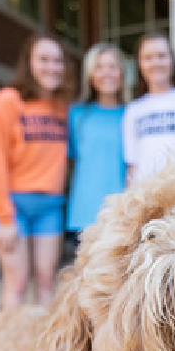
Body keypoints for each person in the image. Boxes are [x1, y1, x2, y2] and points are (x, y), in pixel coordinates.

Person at [0, 34, 69, 309]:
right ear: (29, 63)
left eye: (57, 61)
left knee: (46, 282)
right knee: (16, 283)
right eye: (43, 60)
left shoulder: (62, 108)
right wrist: (4, 218)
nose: (51, 67)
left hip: (50, 207)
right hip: (12, 206)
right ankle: (8, 350)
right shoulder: (8, 101)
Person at [122, 32, 175, 185]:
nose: (155, 62)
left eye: (161, 56)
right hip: (146, 196)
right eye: (148, 57)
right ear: (140, 64)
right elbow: (133, 165)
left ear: (172, 60)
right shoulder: (133, 109)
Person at [66, 43, 128, 240]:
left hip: (124, 212)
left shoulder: (133, 113)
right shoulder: (76, 114)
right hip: (84, 212)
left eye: (112, 66)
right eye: (99, 67)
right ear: (90, 75)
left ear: (122, 73)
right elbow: (71, 160)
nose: (106, 73)